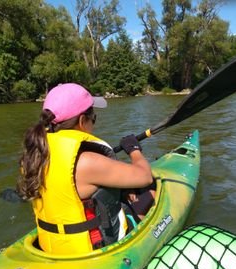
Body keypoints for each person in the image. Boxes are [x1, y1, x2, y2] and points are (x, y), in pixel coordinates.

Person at [17, 83, 154, 255]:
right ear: (82, 121)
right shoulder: (86, 161)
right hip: (94, 250)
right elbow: (145, 175)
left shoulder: (33, 155)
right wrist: (134, 150)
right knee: (152, 189)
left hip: (51, 247)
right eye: (93, 118)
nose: (94, 123)